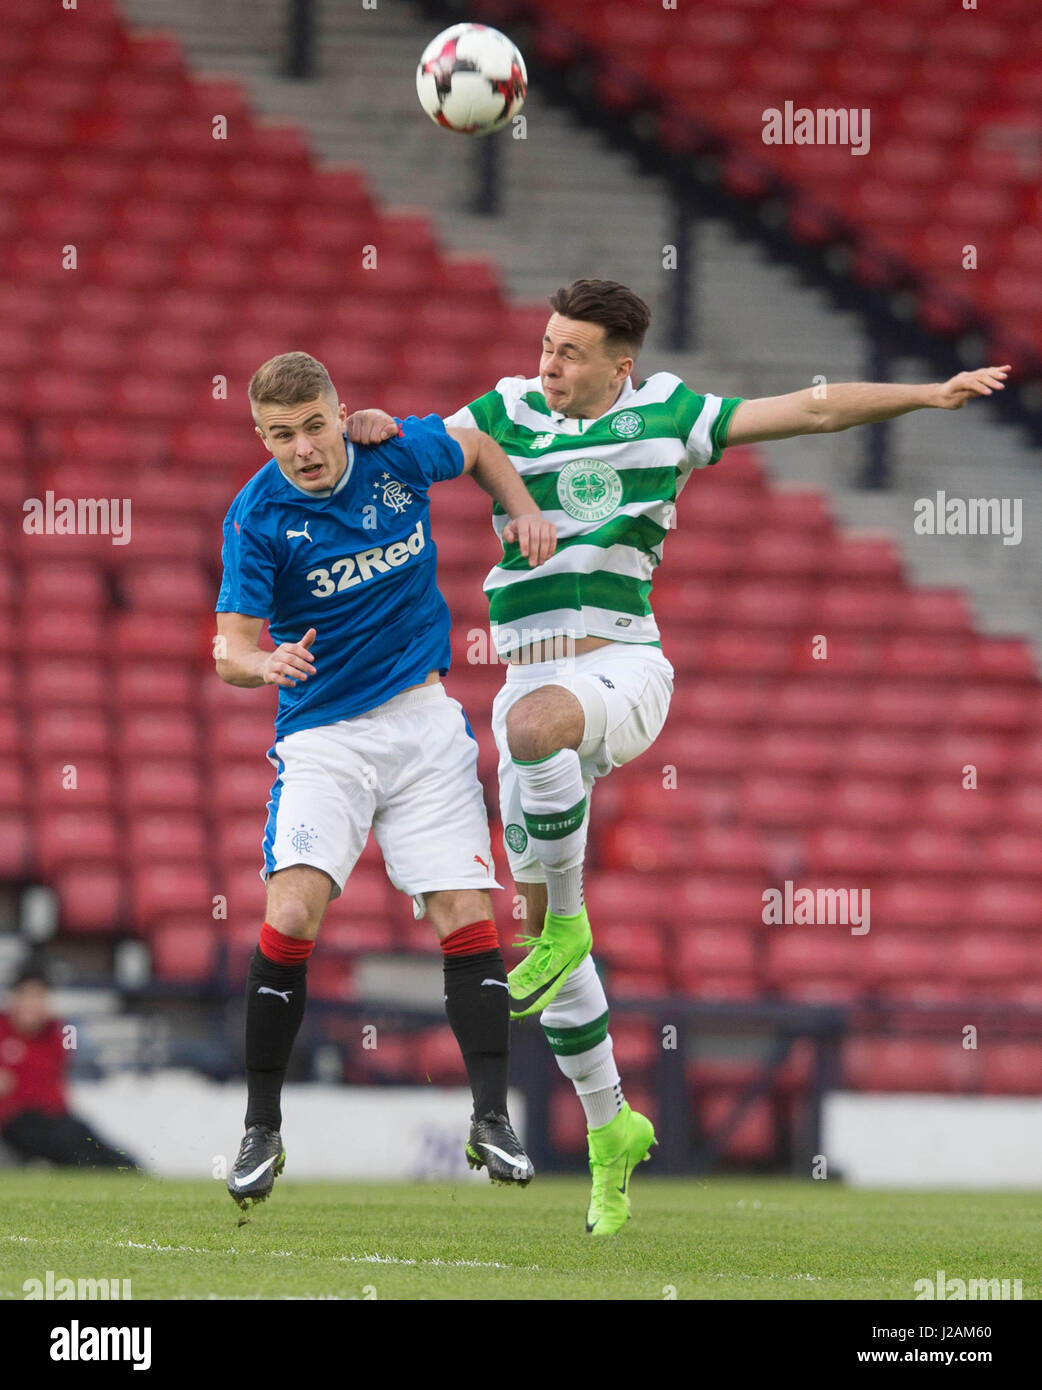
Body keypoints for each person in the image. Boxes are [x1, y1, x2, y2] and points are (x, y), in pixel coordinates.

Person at [346, 278, 1010, 1234]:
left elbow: (812, 409)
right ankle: (612, 1127)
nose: (548, 364)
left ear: (623, 364)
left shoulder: (671, 415)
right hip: (526, 679)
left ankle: (568, 924)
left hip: (621, 666)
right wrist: (373, 423)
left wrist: (925, 394)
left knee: (541, 776)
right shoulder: (507, 408)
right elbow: (427, 445)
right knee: (537, 898)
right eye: (545, 343)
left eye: (569, 352)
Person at [215, 351, 556, 1214]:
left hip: (422, 715)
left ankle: (491, 1118)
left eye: (315, 425)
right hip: (325, 735)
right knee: (292, 909)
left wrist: (519, 510)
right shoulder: (257, 517)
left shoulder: (394, 450)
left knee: (465, 913)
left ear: (341, 412)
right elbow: (229, 648)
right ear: (262, 436)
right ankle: (260, 1128)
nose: (303, 448)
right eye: (281, 435)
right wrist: (265, 665)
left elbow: (477, 446)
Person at [0, 958, 139, 1169]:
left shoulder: (56, 1032)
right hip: (15, 1120)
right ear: (14, 998)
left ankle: (137, 1176)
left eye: (38, 996)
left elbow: (62, 1068)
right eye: (26, 995)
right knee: (65, 1143)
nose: (31, 1004)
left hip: (56, 1116)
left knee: (90, 1139)